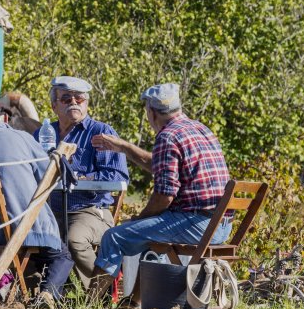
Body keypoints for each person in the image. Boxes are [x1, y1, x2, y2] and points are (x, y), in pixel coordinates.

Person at [89, 84, 232, 277]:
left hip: (198, 225)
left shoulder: (168, 136)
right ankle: (137, 300)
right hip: (222, 225)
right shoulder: (201, 128)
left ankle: (94, 299)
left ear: (151, 112)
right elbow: (163, 168)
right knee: (150, 236)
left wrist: (139, 219)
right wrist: (124, 147)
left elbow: (164, 198)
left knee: (113, 237)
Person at [0, 99, 74, 301]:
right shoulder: (23, 139)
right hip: (22, 229)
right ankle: (48, 293)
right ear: (4, 118)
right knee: (61, 256)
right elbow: (46, 177)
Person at [37, 76, 129, 280]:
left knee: (74, 240)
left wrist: (83, 178)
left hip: (88, 209)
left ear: (86, 104)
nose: (73, 103)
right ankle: (43, 291)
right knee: (26, 238)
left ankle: (101, 290)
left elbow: (117, 175)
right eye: (66, 99)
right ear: (54, 105)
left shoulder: (101, 132)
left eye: (79, 99)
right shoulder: (42, 133)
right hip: (48, 211)